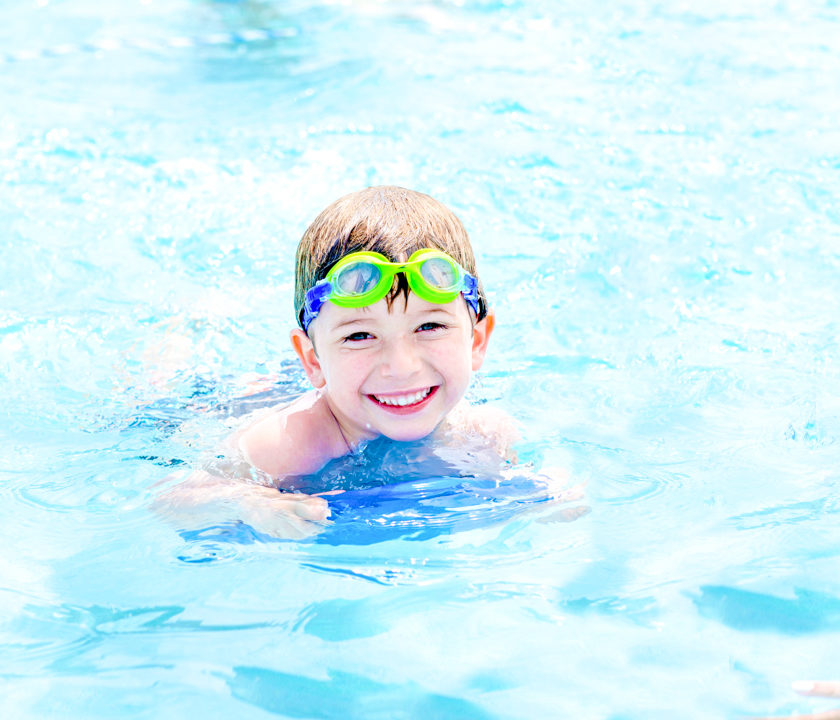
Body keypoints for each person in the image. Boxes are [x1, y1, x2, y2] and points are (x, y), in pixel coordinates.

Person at [155, 186, 537, 538]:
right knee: (167, 392)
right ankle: (180, 335)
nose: (401, 366)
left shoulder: (486, 434)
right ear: (312, 358)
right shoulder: (286, 446)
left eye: (430, 326)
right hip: (208, 408)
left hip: (341, 384)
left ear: (477, 341)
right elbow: (171, 501)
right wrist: (248, 502)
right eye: (360, 336)